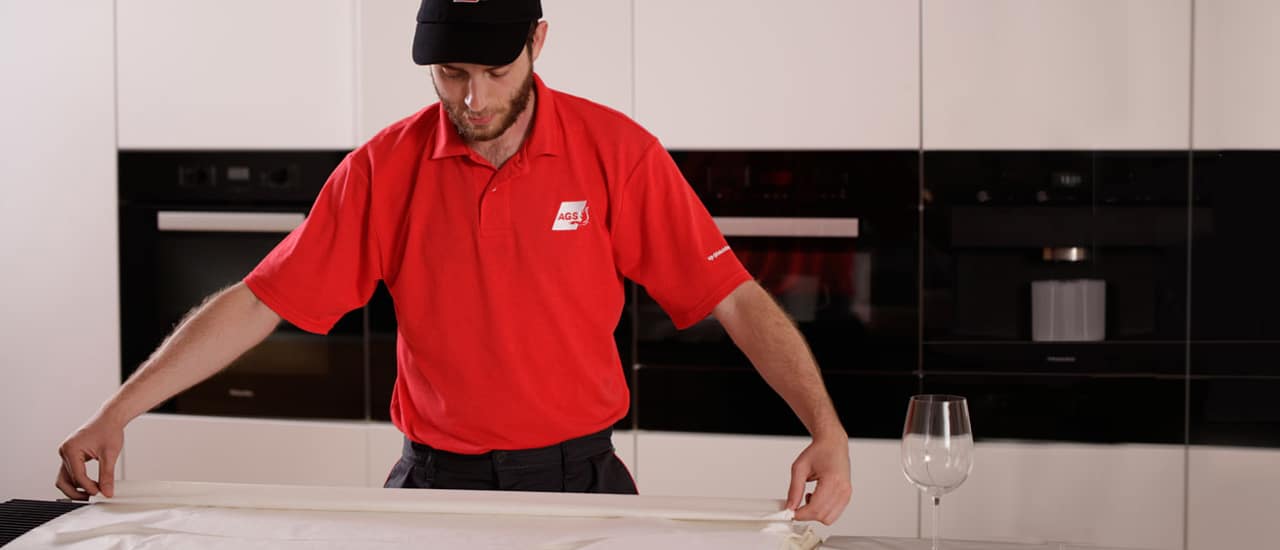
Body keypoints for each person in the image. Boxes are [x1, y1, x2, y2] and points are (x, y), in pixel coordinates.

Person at [56, 0, 852, 525]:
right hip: (432, 485)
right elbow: (262, 299)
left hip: (580, 482)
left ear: (538, 42)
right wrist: (114, 415)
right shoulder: (382, 168)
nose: (473, 99)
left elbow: (732, 296)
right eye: (451, 74)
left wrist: (827, 429)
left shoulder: (619, 153)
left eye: (495, 72)